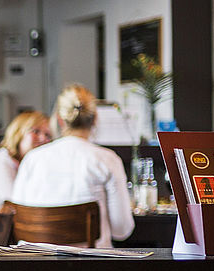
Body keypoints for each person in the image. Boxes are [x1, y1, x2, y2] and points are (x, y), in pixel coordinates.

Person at [10, 84, 135, 248]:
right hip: (93, 267)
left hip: (38, 267)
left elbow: (18, 219)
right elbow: (122, 230)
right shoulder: (107, 159)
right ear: (95, 119)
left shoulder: (32, 159)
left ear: (59, 120)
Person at [0, 110, 52, 212]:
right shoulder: (0, 159)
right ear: (18, 133)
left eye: (48, 135)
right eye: (36, 131)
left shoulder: (33, 164)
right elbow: (15, 203)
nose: (43, 138)